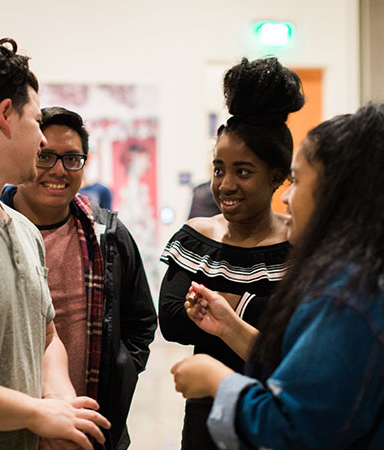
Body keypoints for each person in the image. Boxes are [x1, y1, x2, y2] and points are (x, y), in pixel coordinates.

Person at [172, 102, 384, 449]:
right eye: (219, 170)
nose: (286, 197)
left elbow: (292, 427)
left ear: (337, 192)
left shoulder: (346, 298)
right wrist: (230, 325)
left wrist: (217, 380)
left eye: (296, 181)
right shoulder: (353, 279)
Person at [0, 39, 110, 450]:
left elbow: (47, 339)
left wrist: (61, 404)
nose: (44, 142)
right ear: (6, 116)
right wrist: (37, 414)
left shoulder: (24, 230)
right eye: (35, 121)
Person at [158, 57, 304, 449]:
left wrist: (220, 304)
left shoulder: (300, 243)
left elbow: (297, 336)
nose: (225, 185)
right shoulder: (196, 236)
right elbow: (172, 321)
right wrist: (256, 308)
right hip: (206, 409)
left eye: (243, 171)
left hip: (279, 408)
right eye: (219, 169)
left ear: (276, 176)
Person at [0, 106, 158, 450]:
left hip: (89, 424)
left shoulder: (109, 235)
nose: (58, 170)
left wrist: (120, 373)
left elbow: (141, 321)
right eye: (45, 157)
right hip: (4, 426)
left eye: (72, 158)